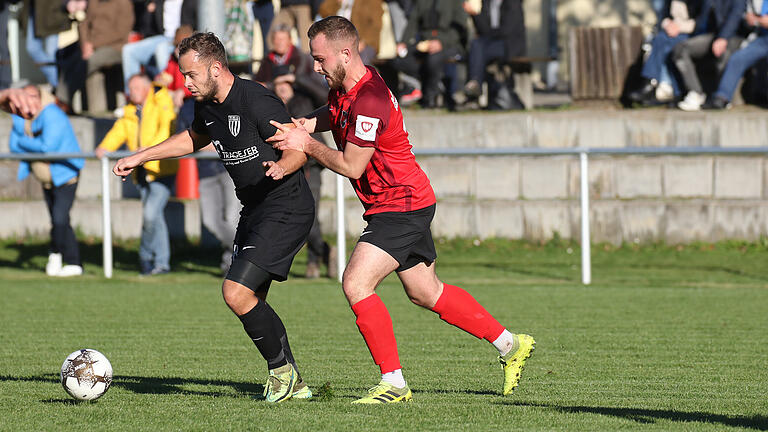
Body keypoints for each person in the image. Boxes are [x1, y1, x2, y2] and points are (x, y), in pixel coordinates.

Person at [268, 16, 535, 404]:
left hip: (401, 205)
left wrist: (305, 145)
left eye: (320, 59)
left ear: (345, 52)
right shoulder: (348, 84)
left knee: (356, 283)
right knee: (426, 292)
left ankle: (393, 384)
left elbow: (351, 166)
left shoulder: (370, 97)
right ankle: (511, 344)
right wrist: (311, 122)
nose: (315, 66)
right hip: (401, 201)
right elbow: (339, 114)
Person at [111, 32, 315, 403]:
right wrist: (141, 155)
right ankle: (292, 382)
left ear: (216, 68)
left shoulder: (257, 99)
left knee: (235, 292)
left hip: (285, 204)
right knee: (250, 299)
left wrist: (282, 167)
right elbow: (194, 138)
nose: (185, 83)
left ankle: (283, 375)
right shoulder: (206, 103)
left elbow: (299, 148)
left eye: (191, 75)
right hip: (255, 208)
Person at [95, 74, 178, 275]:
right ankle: (161, 263)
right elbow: (120, 130)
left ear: (146, 87)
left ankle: (146, 257)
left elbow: (167, 128)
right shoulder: (131, 110)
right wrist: (105, 147)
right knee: (154, 217)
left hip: (160, 169)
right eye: (130, 89)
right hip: (141, 171)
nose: (131, 92)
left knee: (151, 214)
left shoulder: (161, 100)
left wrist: (150, 150)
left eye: (135, 88)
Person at [8, 85, 85, 276]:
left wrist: (23, 142)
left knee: (60, 218)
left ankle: (60, 256)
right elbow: (12, 146)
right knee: (58, 220)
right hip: (47, 179)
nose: (29, 101)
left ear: (41, 97)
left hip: (66, 175)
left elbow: (46, 147)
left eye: (33, 96)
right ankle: (69, 260)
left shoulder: (52, 113)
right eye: (25, 97)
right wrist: (20, 132)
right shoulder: (22, 117)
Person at [272, 71, 337, 279]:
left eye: (285, 83)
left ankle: (317, 257)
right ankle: (322, 254)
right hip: (289, 167)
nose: (282, 88)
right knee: (297, 215)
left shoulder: (304, 100)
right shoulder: (273, 107)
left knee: (310, 214)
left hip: (310, 165)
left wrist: (299, 78)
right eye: (278, 84)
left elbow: (324, 97)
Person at [387, 0, 468, 108]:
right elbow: (413, 22)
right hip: (425, 42)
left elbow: (459, 28)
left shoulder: (455, 2)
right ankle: (419, 85)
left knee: (433, 59)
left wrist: (442, 42)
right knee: (398, 60)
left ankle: (429, 97)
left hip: (449, 44)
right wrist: (403, 42)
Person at [673, 0, 745, 111]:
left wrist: (723, 38)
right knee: (681, 49)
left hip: (734, 36)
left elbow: (735, 17)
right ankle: (696, 93)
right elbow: (699, 17)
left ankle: (723, 97)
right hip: (711, 36)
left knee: (724, 53)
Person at [628, 0, 699, 105]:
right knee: (660, 39)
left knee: (669, 44)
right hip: (671, 32)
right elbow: (663, 16)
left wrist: (679, 28)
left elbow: (702, 21)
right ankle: (652, 82)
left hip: (690, 33)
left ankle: (664, 87)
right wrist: (667, 24)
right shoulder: (669, 2)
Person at [705, 0, 768, 109]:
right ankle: (722, 97)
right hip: (762, 39)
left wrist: (758, 20)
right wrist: (752, 20)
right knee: (737, 59)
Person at [462, 0, 527, 106]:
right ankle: (474, 85)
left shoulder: (512, 3)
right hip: (491, 43)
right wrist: (474, 15)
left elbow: (506, 30)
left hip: (509, 45)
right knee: (476, 44)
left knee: (478, 47)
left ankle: (475, 83)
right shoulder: (487, 3)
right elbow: (482, 29)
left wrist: (487, 34)